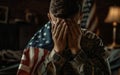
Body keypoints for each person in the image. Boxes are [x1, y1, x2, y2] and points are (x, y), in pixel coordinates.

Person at [17, 0, 111, 75]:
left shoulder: (93, 40)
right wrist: (57, 52)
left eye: (71, 24)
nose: (65, 29)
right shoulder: (38, 44)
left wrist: (77, 51)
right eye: (58, 24)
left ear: (80, 17)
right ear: (50, 17)